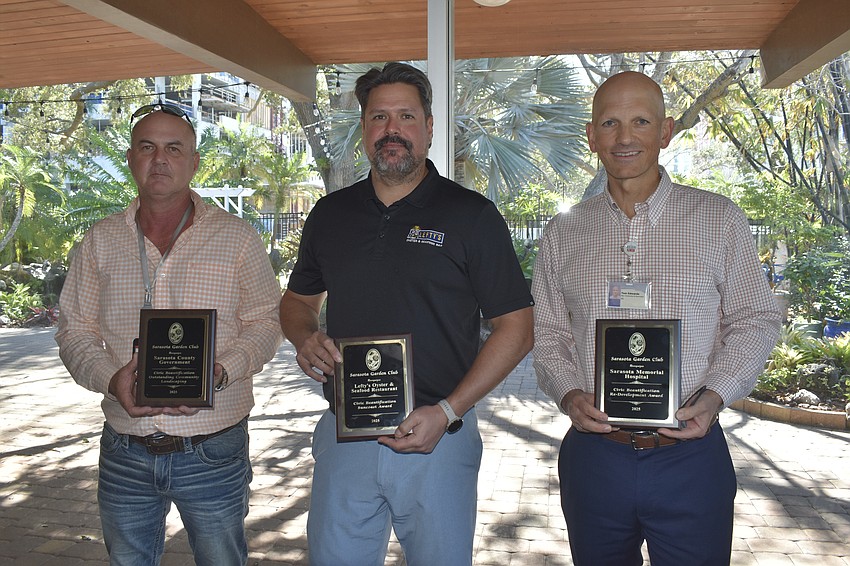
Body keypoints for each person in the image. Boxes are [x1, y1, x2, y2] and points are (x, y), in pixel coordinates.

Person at [279, 62, 534, 566]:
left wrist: (449, 411)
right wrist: (304, 336)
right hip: (345, 434)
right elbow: (297, 302)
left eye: (406, 116)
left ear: (430, 127)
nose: (391, 130)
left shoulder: (472, 216)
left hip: (439, 438)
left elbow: (517, 327)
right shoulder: (331, 215)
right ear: (363, 128)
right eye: (378, 117)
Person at [532, 71, 782, 565]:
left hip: (690, 456)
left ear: (665, 132)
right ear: (592, 136)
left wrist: (715, 397)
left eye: (640, 121)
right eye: (610, 123)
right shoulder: (564, 233)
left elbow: (755, 318)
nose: (625, 138)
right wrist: (568, 392)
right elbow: (549, 334)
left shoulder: (718, 219)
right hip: (595, 457)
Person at [55, 103, 282, 565]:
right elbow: (74, 330)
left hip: (213, 447)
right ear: (130, 157)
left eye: (174, 148)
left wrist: (218, 373)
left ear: (194, 161)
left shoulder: (237, 238)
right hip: (125, 448)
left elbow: (266, 322)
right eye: (147, 147)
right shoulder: (100, 240)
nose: (160, 159)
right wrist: (110, 379)